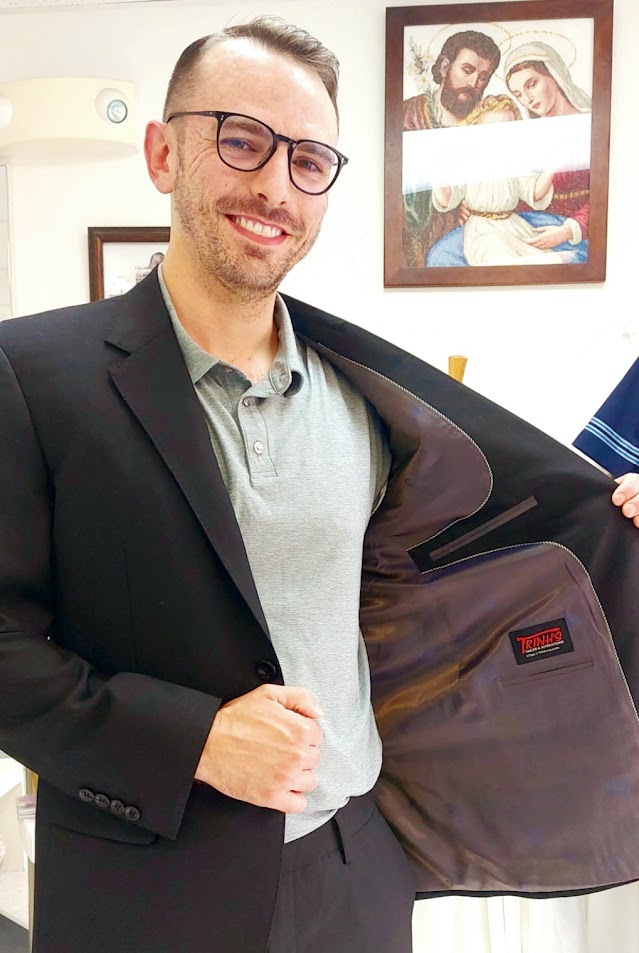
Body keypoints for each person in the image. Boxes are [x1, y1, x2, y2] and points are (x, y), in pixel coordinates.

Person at [2, 16, 639, 953]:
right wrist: (192, 740)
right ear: (162, 153)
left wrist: (622, 519)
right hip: (145, 890)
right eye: (241, 139)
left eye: (308, 159)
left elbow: (481, 577)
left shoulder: (373, 401)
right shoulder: (31, 375)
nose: (274, 185)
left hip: (354, 871)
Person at [428, 40, 591, 267]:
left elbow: (604, 197)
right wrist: (467, 199)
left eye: (532, 84)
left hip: (563, 226)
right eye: (518, 94)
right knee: (440, 257)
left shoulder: (589, 127)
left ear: (554, 74)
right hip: (506, 224)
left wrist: (570, 229)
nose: (528, 99)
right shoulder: (525, 135)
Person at [401, 30, 501, 265]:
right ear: (445, 67)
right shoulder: (407, 116)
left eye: (483, 77)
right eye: (467, 70)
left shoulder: (488, 124)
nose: (473, 84)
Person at [431, 94, 564, 266]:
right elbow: (447, 198)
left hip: (513, 227)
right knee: (502, 262)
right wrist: (436, 173)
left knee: (547, 262)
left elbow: (535, 193)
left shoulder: (516, 163)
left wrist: (553, 165)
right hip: (483, 231)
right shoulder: (468, 164)